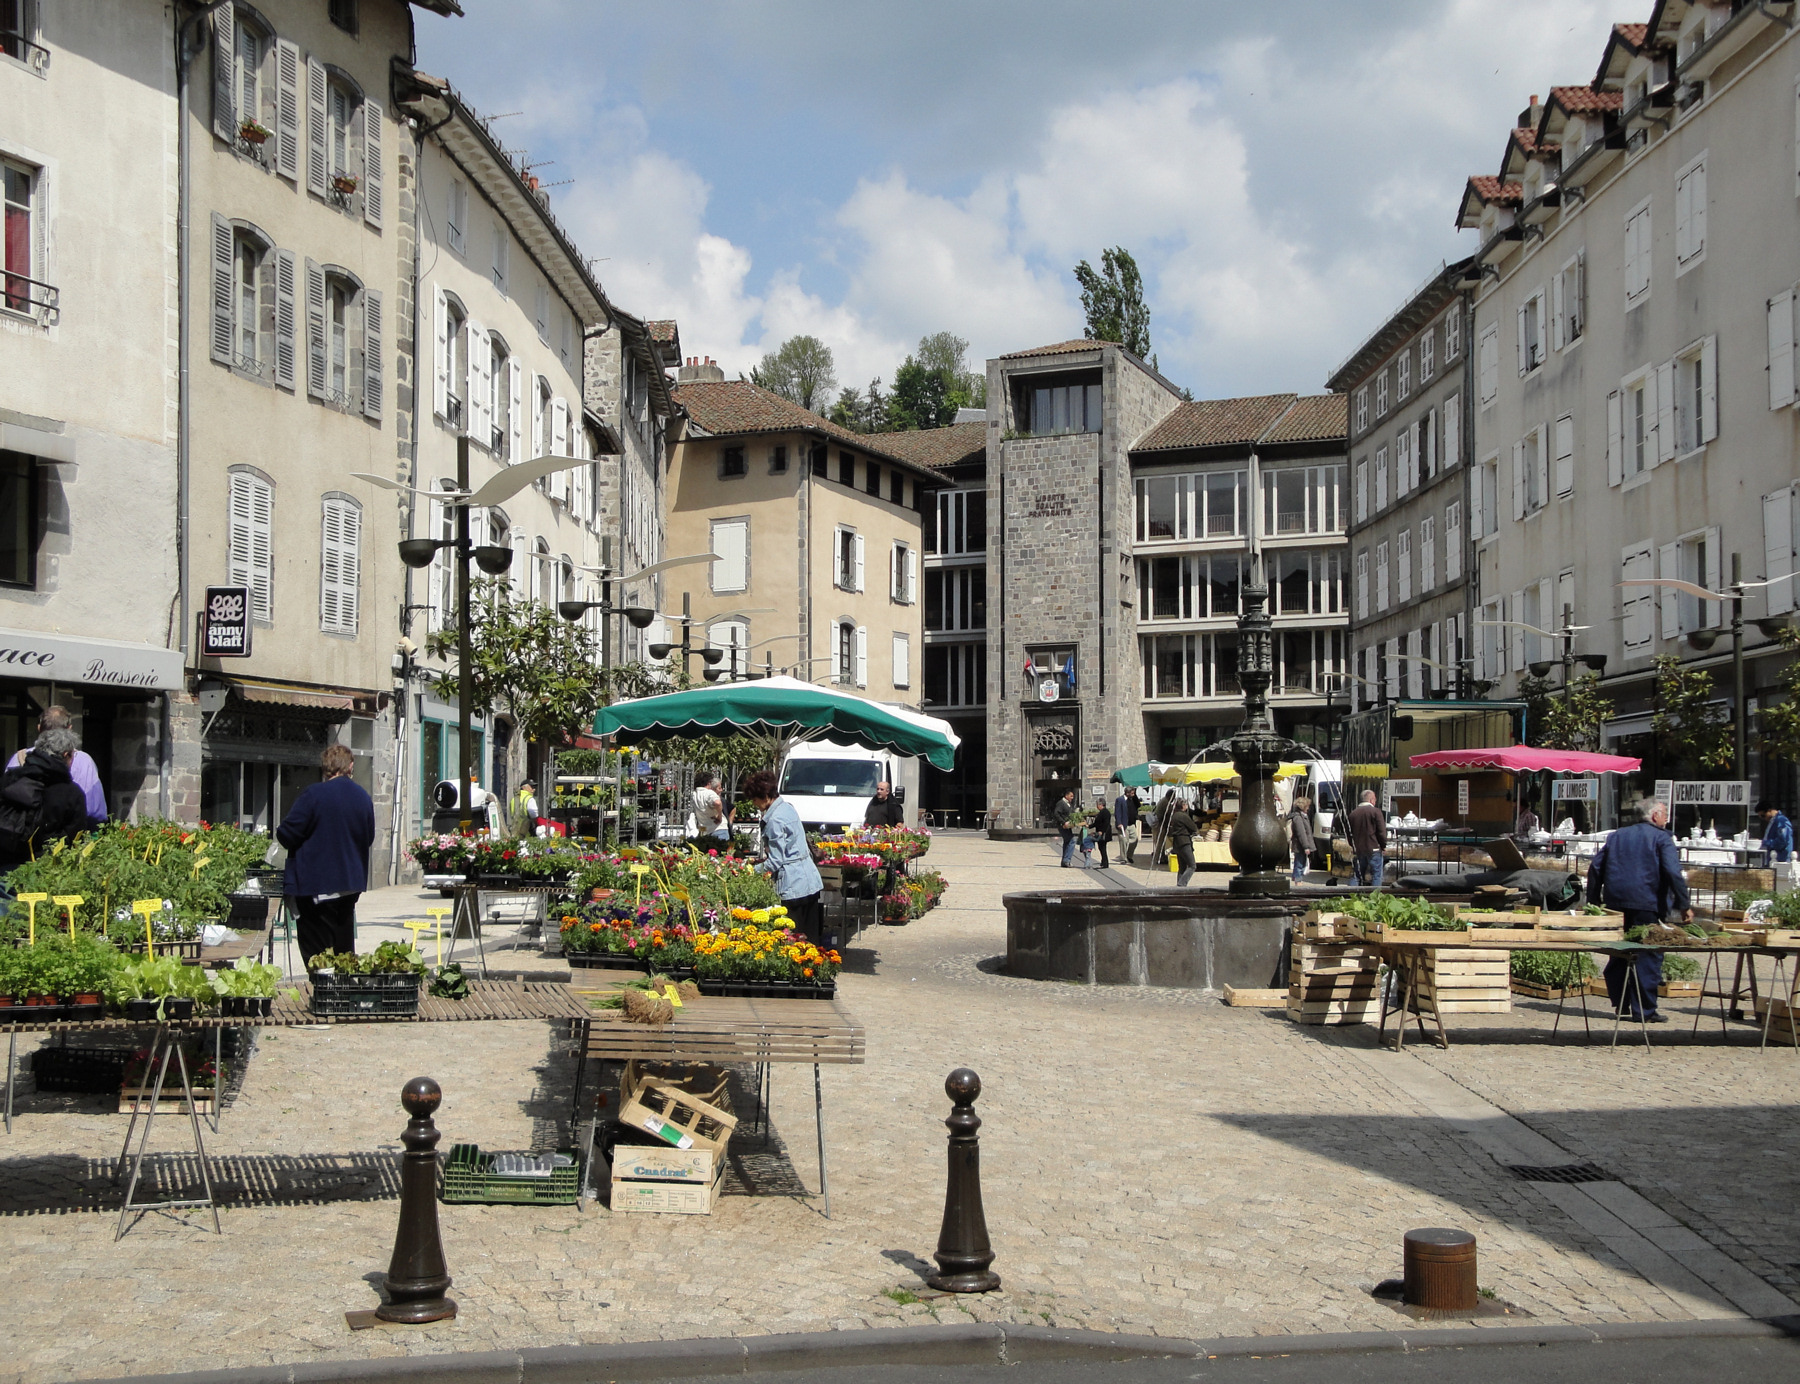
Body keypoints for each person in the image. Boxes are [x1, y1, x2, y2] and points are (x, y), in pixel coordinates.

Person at [1585, 797, 1692, 1024]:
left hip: (1616, 903)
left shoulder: (1618, 835)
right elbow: (1673, 872)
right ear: (1655, 816)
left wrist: (1594, 901)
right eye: (1664, 813)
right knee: (1648, 956)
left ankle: (1622, 1003)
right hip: (1647, 903)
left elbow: (1595, 868)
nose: (1666, 818)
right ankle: (1644, 1010)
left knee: (1620, 953)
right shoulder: (1662, 838)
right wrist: (1684, 905)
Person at [277, 743, 376, 965]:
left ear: (325, 768)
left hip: (316, 884)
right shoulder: (362, 797)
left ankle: (324, 996)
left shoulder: (314, 795)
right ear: (350, 766)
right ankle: (340, 996)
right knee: (343, 949)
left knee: (316, 953)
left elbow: (286, 834)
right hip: (350, 884)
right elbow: (368, 838)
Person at [744, 768, 826, 945]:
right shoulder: (788, 808)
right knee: (810, 937)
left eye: (754, 799)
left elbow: (776, 860)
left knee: (793, 939)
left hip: (792, 883)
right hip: (810, 879)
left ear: (764, 796)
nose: (754, 804)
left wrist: (750, 870)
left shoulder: (775, 820)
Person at [0, 728, 92, 879]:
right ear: (66, 755)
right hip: (45, 874)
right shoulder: (72, 793)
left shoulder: (10, 779)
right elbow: (75, 839)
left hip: (4, 871)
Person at [7, 706, 106, 827]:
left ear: (39, 728)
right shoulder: (84, 762)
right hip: (64, 840)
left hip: (20, 838)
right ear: (69, 729)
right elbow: (96, 814)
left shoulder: (18, 758)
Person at [1348, 789, 1387, 888]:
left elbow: (1349, 833)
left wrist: (1353, 845)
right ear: (1371, 800)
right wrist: (1383, 845)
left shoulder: (1353, 814)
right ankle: (1374, 897)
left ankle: (1350, 895)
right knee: (1376, 875)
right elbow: (1381, 831)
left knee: (1357, 874)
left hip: (1359, 849)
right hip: (1374, 848)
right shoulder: (1375, 812)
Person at [1167, 797, 1197, 886]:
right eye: (1186, 804)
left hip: (1177, 842)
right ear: (1183, 805)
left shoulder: (1174, 815)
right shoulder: (1183, 816)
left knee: (1182, 867)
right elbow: (1193, 827)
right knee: (1192, 865)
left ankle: (1179, 886)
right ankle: (1182, 883)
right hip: (1184, 841)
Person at [693, 772, 730, 844]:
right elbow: (717, 803)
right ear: (709, 783)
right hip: (718, 828)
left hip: (705, 830)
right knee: (722, 853)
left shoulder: (694, 794)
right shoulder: (709, 793)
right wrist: (719, 817)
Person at [1288, 795, 1315, 883]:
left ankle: (1298, 880)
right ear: (1303, 806)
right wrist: (1306, 846)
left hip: (1301, 845)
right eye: (1307, 806)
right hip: (1300, 846)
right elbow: (1301, 833)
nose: (1308, 808)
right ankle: (1297, 881)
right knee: (1299, 864)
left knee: (1301, 863)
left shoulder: (1302, 816)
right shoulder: (1298, 818)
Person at [1758, 800, 1794, 867]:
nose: (1764, 819)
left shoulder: (1781, 821)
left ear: (1769, 811)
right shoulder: (1773, 822)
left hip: (1780, 860)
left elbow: (1783, 841)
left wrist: (1765, 843)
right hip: (1771, 859)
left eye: (1763, 815)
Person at [1114, 786, 1141, 864]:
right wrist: (1119, 822)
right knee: (1124, 841)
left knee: (1134, 839)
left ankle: (1129, 855)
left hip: (1132, 824)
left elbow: (1138, 805)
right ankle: (1123, 858)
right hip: (1123, 824)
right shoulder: (1120, 800)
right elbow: (1117, 812)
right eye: (1132, 793)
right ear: (1127, 793)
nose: (1133, 795)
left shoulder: (1133, 799)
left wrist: (1135, 795)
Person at [1052, 788, 1078, 867]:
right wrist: (1063, 822)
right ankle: (1067, 860)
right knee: (1072, 840)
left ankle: (1064, 861)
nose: (1072, 798)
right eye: (1071, 796)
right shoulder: (1061, 803)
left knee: (1067, 842)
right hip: (1063, 826)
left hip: (1068, 826)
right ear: (1066, 796)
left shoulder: (1068, 804)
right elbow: (1056, 813)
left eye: (1073, 796)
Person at [1089, 793, 1114, 870]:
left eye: (1097, 804)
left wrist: (1101, 831)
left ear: (1101, 804)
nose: (1097, 806)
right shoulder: (1101, 812)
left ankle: (1105, 863)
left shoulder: (1105, 812)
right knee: (1101, 848)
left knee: (1103, 848)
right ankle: (1103, 862)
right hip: (1100, 831)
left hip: (1104, 833)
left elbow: (1106, 823)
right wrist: (1089, 826)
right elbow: (1097, 823)